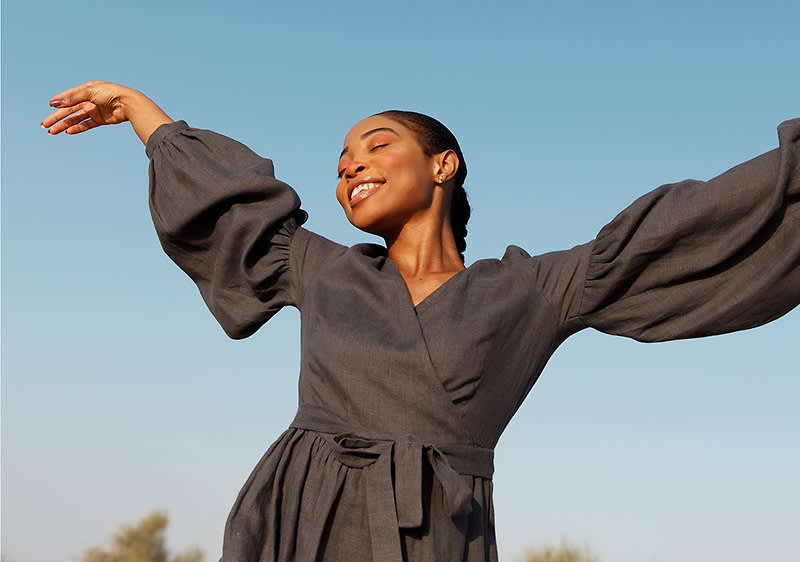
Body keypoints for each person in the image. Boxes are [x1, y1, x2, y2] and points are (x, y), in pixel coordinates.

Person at [42, 81, 799, 562]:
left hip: (439, 532)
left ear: (444, 165)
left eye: (377, 144)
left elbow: (682, 230)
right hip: (301, 517)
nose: (349, 165)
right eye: (340, 159)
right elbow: (232, 212)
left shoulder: (536, 288)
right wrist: (145, 114)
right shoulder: (322, 267)